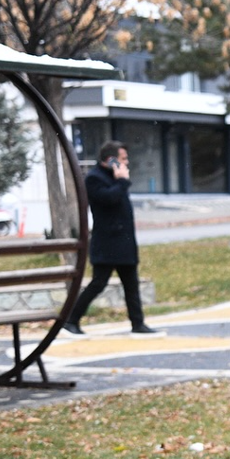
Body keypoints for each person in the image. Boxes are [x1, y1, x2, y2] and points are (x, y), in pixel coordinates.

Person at [62, 141, 158, 336]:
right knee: (98, 283)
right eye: (123, 159)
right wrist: (122, 181)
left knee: (131, 284)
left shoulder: (115, 178)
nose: (127, 163)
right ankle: (71, 320)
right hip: (107, 243)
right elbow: (109, 199)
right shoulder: (94, 179)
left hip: (125, 243)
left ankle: (138, 323)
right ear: (111, 160)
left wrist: (120, 180)